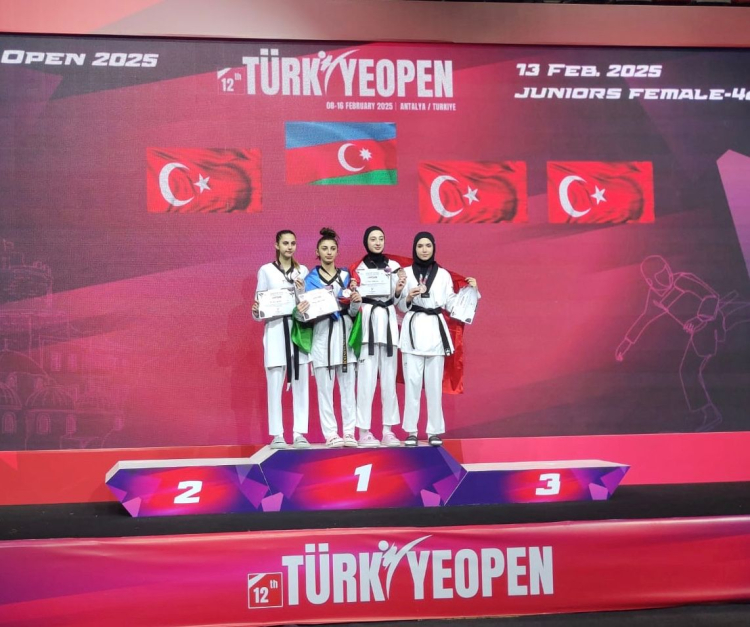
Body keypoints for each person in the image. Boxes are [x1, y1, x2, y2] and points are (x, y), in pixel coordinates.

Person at [398, 232, 478, 447]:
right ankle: (411, 431)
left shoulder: (443, 275)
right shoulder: (405, 273)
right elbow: (400, 306)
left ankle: (433, 431)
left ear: (433, 247)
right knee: (412, 386)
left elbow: (452, 304)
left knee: (434, 386)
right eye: (420, 246)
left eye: (428, 245)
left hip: (435, 331)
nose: (424, 249)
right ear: (414, 248)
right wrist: (408, 296)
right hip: (413, 330)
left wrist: (471, 291)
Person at [302, 228, 362, 448]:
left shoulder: (347, 277)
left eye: (332, 248)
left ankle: (349, 432)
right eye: (324, 248)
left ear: (337, 252)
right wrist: (302, 310)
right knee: (324, 391)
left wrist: (356, 302)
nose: (328, 252)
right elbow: (306, 315)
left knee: (348, 389)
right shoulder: (309, 279)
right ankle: (330, 434)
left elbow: (353, 312)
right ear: (317, 252)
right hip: (322, 336)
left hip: (344, 335)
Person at [252, 229, 311, 449]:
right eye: (285, 243)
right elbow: (258, 308)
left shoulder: (302, 271)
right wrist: (256, 310)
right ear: (277, 245)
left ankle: (299, 433)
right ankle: (277, 434)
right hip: (276, 330)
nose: (289, 247)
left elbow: (308, 305)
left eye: (293, 243)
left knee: (301, 383)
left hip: (298, 330)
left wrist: (302, 294)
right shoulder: (266, 271)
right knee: (275, 384)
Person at [351, 226, 407, 447]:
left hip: (389, 326)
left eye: (381, 238)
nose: (377, 242)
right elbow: (352, 301)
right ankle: (364, 431)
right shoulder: (358, 269)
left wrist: (399, 289)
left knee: (389, 382)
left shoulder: (395, 267)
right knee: (365, 382)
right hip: (368, 327)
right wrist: (354, 292)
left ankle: (388, 430)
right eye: (373, 239)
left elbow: (400, 302)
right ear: (366, 242)